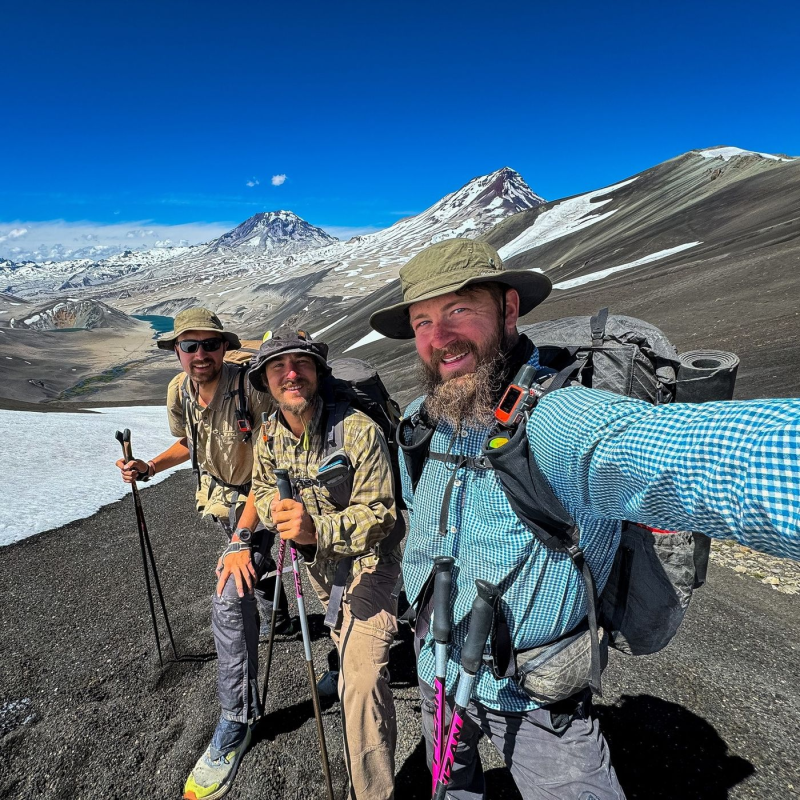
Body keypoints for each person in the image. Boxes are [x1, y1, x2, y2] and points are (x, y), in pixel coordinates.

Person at [368, 238, 800, 800]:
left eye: (459, 311)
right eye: (422, 321)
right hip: (438, 668)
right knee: (451, 785)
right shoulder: (420, 422)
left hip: (541, 695)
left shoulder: (559, 417)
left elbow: (697, 455)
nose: (438, 338)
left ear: (509, 310)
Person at [115, 307, 295, 800]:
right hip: (219, 499)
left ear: (223, 348)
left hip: (260, 501)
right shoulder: (180, 393)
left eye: (209, 345)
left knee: (228, 597)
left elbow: (273, 463)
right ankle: (271, 602)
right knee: (250, 576)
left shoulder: (252, 389)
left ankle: (237, 719)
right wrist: (148, 466)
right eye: (189, 347)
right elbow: (187, 442)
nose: (200, 355)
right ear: (176, 352)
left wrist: (241, 540)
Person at [248, 327, 402, 800]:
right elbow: (257, 488)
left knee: (360, 684)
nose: (291, 374)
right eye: (278, 367)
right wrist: (277, 516)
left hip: (372, 567)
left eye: (301, 365)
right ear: (265, 381)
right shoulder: (270, 435)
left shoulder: (357, 430)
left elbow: (381, 514)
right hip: (320, 571)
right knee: (342, 640)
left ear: (317, 373)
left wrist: (316, 529)